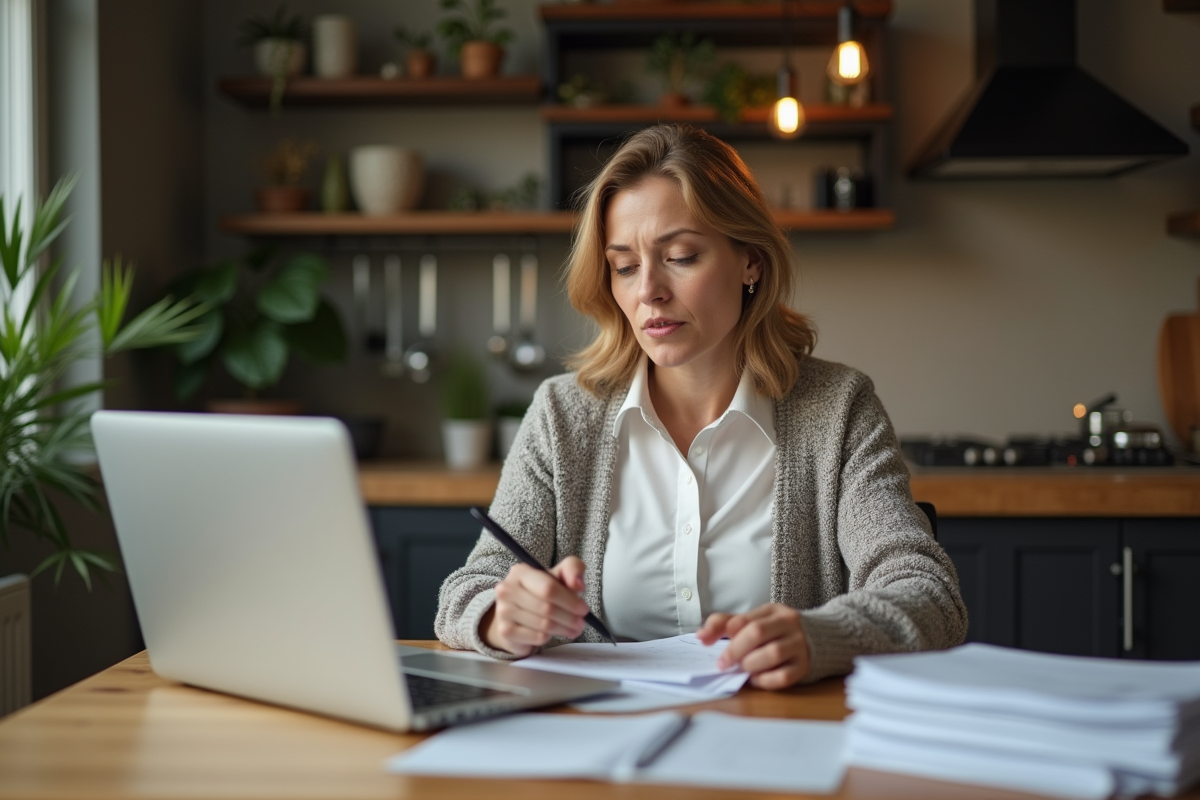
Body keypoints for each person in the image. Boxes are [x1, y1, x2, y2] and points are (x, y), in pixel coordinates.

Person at [435, 124, 966, 688]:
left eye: (681, 256)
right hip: (600, 745)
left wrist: (820, 635)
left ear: (751, 263)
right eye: (625, 266)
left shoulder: (838, 411)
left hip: (775, 745)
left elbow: (929, 595)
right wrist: (500, 616)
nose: (649, 292)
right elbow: (465, 591)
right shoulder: (562, 414)